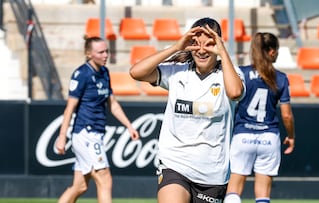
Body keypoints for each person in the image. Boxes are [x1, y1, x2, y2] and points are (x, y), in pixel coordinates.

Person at [129, 17, 244, 203]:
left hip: (212, 175)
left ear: (219, 45)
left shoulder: (231, 73)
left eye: (209, 44)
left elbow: (235, 92)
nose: (201, 50)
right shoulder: (177, 72)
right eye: (196, 44)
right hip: (174, 164)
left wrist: (223, 52)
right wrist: (176, 47)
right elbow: (136, 72)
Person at [55, 36, 139, 203]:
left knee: (80, 187)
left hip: (95, 134)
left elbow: (112, 104)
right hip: (85, 133)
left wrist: (129, 126)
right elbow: (70, 108)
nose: (105, 55)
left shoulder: (104, 72)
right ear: (88, 54)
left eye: (107, 51)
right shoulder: (82, 74)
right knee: (105, 179)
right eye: (100, 52)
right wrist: (62, 136)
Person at [223, 32, 296, 203]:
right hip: (269, 138)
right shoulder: (281, 78)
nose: (277, 54)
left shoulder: (241, 73)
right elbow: (286, 114)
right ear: (271, 52)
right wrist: (291, 136)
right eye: (276, 50)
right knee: (263, 194)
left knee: (233, 190)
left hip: (243, 136)